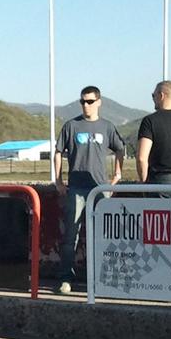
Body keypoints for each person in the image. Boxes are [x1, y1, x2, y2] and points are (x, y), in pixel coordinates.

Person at [53, 86, 126, 294]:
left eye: (90, 101)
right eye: (83, 101)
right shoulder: (71, 126)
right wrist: (58, 181)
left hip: (100, 189)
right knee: (71, 235)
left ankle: (100, 279)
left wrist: (117, 175)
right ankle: (66, 277)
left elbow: (120, 148)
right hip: (76, 188)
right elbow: (58, 152)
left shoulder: (107, 126)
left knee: (102, 235)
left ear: (99, 102)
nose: (86, 105)